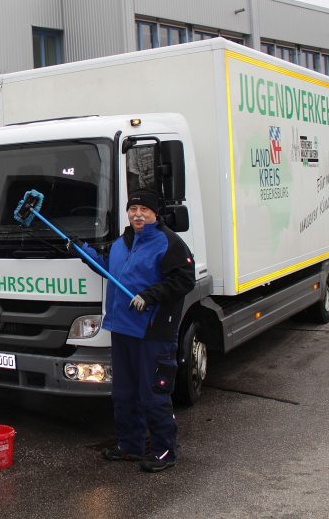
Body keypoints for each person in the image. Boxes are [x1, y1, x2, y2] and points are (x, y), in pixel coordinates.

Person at [77, 188, 194, 472]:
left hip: (151, 332)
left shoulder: (168, 243)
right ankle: (130, 445)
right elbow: (109, 269)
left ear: (155, 214)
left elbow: (184, 279)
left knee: (152, 393)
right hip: (123, 329)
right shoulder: (122, 242)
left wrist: (150, 295)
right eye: (133, 209)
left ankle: (165, 450)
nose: (138, 214)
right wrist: (84, 252)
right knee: (124, 392)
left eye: (144, 210)